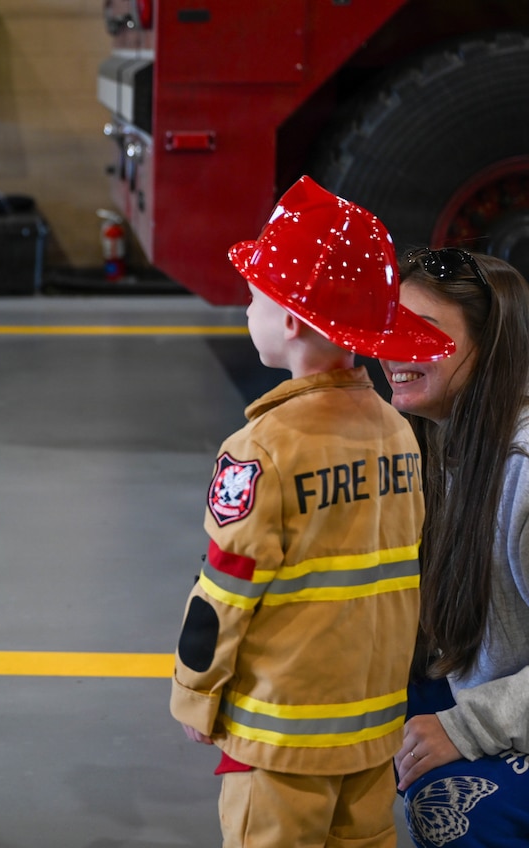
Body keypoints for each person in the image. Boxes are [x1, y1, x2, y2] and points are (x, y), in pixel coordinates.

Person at [169, 176, 456, 847]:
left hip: (281, 740)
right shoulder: (396, 432)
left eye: (253, 297)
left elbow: (225, 590)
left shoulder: (261, 449)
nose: (246, 310)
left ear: (292, 320)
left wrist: (195, 693)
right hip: (373, 731)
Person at [377, 248, 529, 847]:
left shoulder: (522, 473)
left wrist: (468, 730)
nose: (392, 351)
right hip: (481, 681)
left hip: (505, 704)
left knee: (453, 813)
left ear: (488, 347)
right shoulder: (438, 438)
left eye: (422, 332)